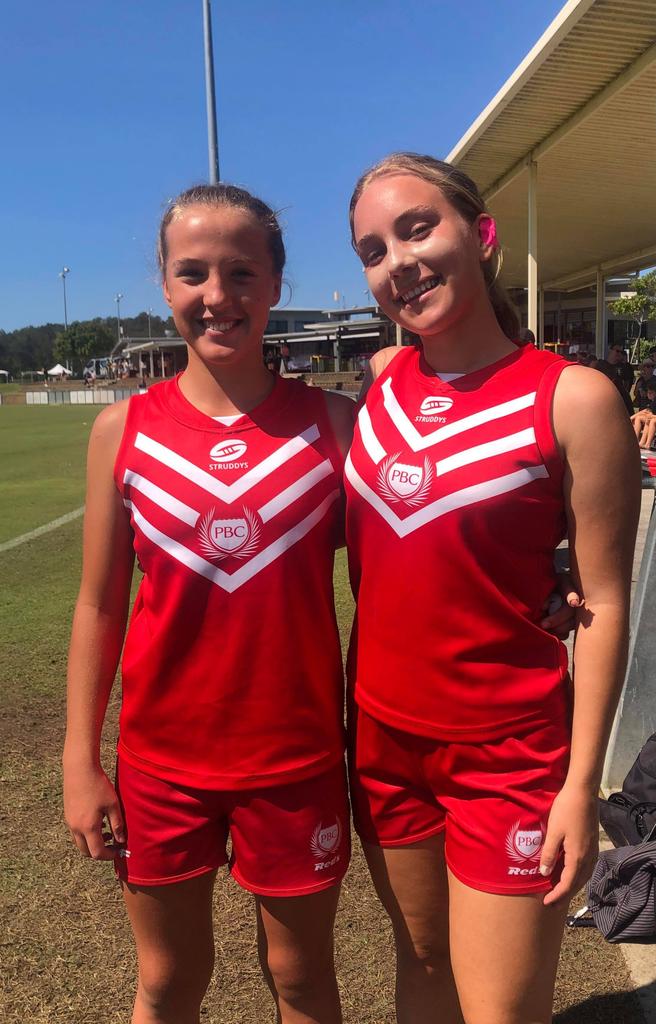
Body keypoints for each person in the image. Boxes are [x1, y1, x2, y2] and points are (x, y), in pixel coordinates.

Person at [344, 153, 640, 1024]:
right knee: (424, 969)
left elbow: (608, 601)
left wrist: (580, 787)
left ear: (483, 236)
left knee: (502, 1011)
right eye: (371, 249)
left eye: (417, 227)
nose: (397, 261)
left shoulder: (574, 397)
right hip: (383, 743)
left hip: (508, 757)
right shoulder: (378, 382)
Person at [62, 184, 357, 1024]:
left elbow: (418, 562)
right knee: (168, 981)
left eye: (240, 272)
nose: (216, 296)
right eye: (193, 273)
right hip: (161, 765)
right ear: (164, 283)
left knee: (300, 980)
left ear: (275, 284)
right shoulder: (121, 431)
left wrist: (546, 579)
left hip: (295, 764)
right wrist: (82, 757)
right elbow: (97, 607)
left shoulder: (334, 425)